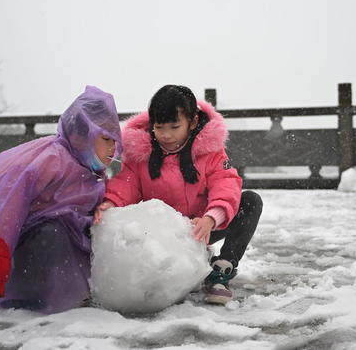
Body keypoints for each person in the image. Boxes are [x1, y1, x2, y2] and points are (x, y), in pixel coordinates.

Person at [93, 84, 262, 305]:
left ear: (192, 122)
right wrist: (110, 202)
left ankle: (222, 267)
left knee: (249, 201)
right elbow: (126, 185)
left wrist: (211, 217)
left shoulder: (210, 151)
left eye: (174, 126)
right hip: (159, 233)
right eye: (159, 127)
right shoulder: (140, 153)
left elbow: (225, 182)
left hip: (200, 227)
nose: (166, 135)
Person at [0, 86, 122, 314]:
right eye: (106, 138)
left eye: (115, 139)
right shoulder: (50, 160)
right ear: (79, 137)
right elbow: (6, 212)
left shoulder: (91, 171)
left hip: (65, 259)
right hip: (30, 255)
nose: (113, 147)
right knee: (54, 230)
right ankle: (50, 299)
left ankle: (78, 294)